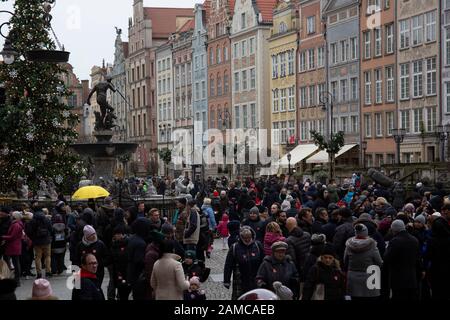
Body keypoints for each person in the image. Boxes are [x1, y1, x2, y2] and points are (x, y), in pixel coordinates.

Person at [383, 220, 422, 300]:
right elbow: (418, 258)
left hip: (398, 278)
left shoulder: (395, 241)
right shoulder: (414, 240)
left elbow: (387, 257)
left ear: (394, 229)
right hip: (412, 277)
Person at [343, 224, 383, 300]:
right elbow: (379, 262)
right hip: (370, 277)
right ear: (366, 232)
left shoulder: (349, 245)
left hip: (353, 277)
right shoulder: (372, 245)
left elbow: (345, 260)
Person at [223, 226, 264, 300]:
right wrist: (226, 280)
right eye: (245, 238)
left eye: (249, 237)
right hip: (240, 280)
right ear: (241, 237)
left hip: (256, 278)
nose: (247, 240)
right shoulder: (235, 247)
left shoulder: (257, 245)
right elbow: (228, 265)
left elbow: (263, 261)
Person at [426, 203, 450, 300]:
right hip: (447, 269)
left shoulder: (432, 240)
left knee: (437, 292)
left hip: (436, 270)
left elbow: (428, 255)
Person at [127, 217, 151, 300]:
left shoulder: (132, 238)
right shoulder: (141, 243)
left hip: (131, 273)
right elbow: (139, 261)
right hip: (137, 276)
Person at [25, 210, 53, 278]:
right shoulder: (47, 220)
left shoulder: (32, 221)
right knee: (47, 256)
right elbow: (51, 229)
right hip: (46, 241)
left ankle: (39, 273)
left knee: (38, 257)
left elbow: (28, 231)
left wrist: (33, 238)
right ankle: (48, 272)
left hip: (37, 242)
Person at [108, 226, 131, 300]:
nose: (115, 236)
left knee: (123, 290)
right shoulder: (114, 244)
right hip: (116, 270)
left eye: (117, 234)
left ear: (121, 234)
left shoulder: (127, 243)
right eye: (115, 234)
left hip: (124, 271)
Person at [1, 211, 23, 286]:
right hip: (14, 246)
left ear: (15, 217)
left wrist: (2, 237)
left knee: (16, 263)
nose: (10, 216)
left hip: (13, 246)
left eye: (12, 216)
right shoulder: (16, 224)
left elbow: (12, 236)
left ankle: (17, 280)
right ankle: (15, 279)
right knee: (15, 262)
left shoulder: (16, 225)